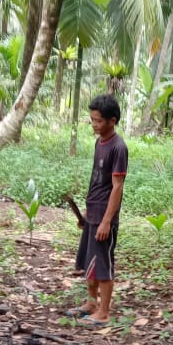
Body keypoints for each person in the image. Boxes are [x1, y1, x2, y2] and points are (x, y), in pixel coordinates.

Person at [66, 94, 128, 326]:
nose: (94, 125)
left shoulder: (118, 147)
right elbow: (97, 181)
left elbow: (117, 187)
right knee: (89, 260)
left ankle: (103, 312)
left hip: (105, 216)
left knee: (102, 263)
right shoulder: (99, 142)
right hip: (93, 212)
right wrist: (87, 214)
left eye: (98, 121)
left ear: (112, 121)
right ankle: (91, 303)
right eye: (92, 120)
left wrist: (105, 221)